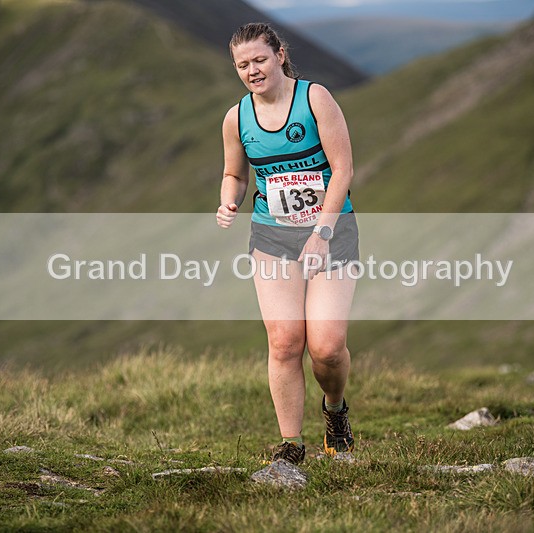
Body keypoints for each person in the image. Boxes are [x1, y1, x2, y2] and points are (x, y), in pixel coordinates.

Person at [216, 22, 359, 464]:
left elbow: (343, 170)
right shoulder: (236, 117)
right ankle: (291, 444)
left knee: (328, 348)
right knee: (284, 341)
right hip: (272, 236)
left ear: (280, 54)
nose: (252, 70)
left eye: (260, 59)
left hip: (331, 232)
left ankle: (334, 410)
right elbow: (235, 174)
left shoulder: (315, 98)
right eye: (243, 65)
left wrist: (322, 232)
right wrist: (228, 202)